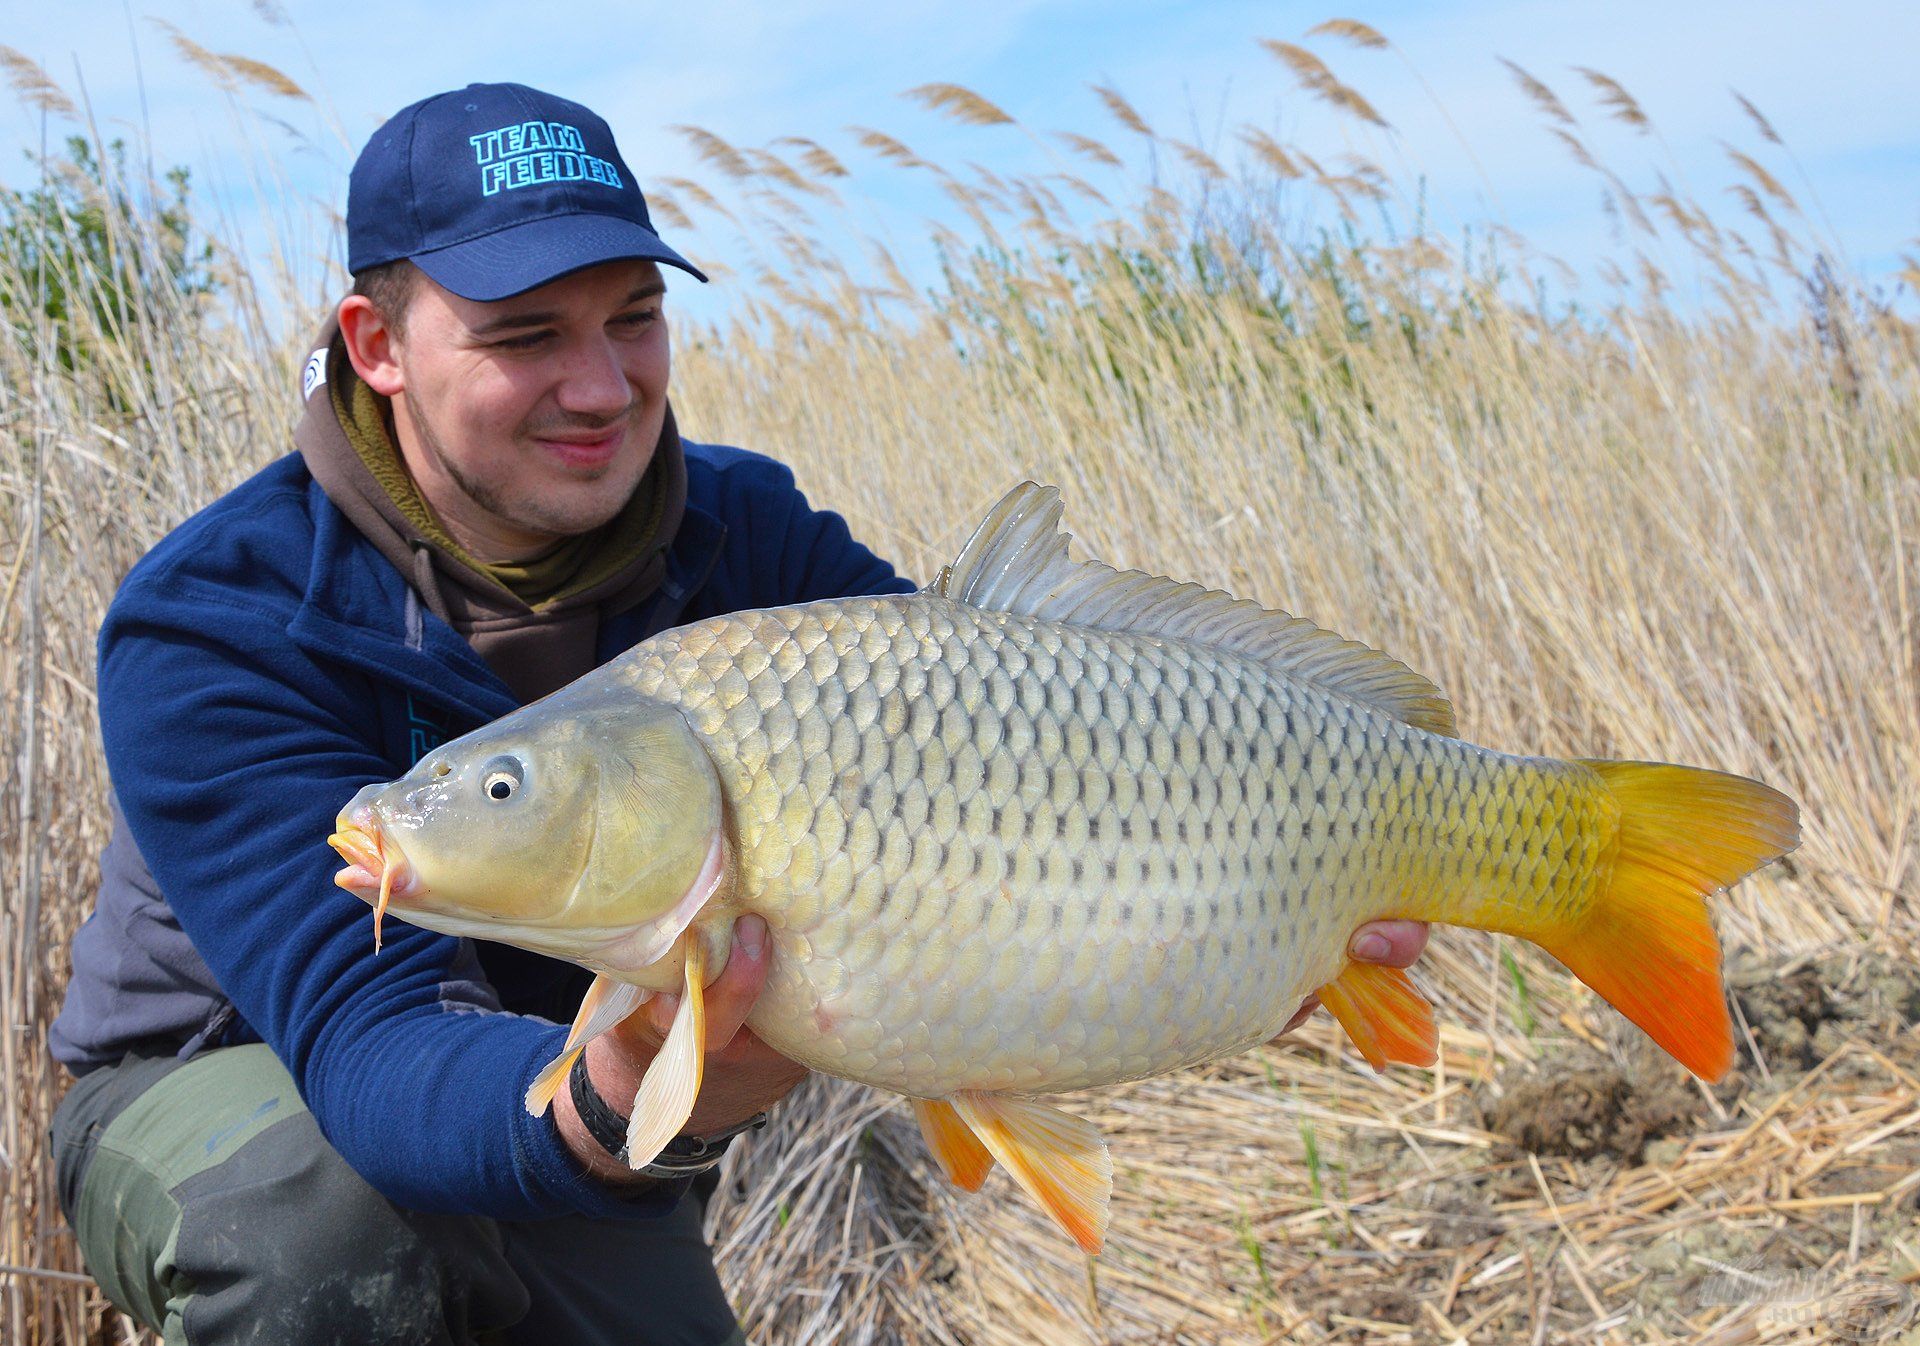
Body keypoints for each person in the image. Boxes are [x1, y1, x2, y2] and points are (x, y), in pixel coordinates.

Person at [47, 81, 1429, 1345]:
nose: (602, 389)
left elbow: (1013, 750)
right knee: (325, 1240)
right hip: (231, 1079)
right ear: (379, 344)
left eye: (633, 319)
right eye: (526, 335)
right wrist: (620, 1092)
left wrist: (1241, 916)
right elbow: (372, 1040)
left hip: (590, 1079)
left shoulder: (746, 533)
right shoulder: (216, 617)